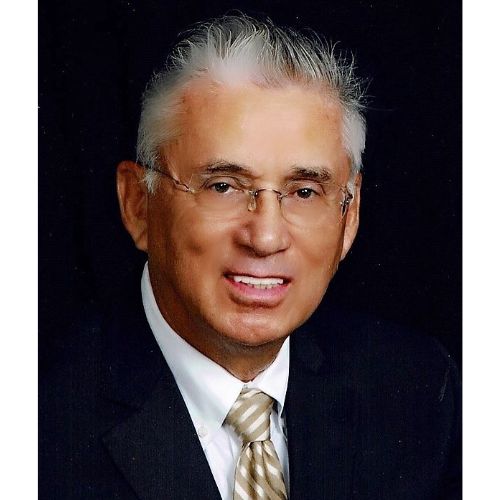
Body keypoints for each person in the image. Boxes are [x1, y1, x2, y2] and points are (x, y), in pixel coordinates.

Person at [39, 14, 461, 500]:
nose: (265, 237)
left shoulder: (418, 387)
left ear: (350, 216)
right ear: (138, 205)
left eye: (304, 192)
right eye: (223, 186)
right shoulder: (41, 421)